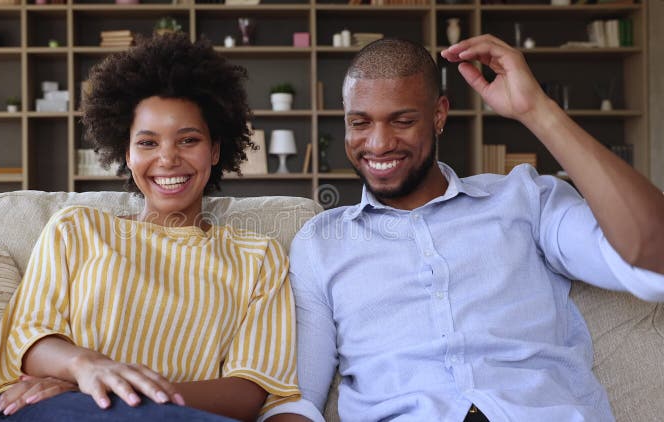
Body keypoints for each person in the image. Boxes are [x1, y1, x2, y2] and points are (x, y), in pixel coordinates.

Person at [266, 35, 664, 422]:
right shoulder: (321, 243)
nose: (379, 143)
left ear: (439, 115)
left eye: (402, 120)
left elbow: (651, 251)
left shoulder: (527, 200)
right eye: (360, 123)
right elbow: (297, 401)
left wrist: (537, 111)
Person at [0, 33, 300, 422]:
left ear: (214, 150)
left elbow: (249, 391)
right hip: (52, 409)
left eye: (188, 140)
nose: (167, 158)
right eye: (147, 143)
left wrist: (118, 388)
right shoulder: (77, 229)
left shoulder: (258, 258)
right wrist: (86, 367)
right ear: (126, 153)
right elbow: (27, 340)